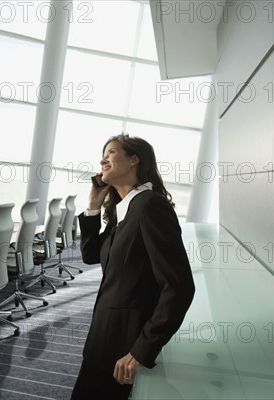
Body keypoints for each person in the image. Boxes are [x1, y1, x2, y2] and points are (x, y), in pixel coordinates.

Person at [71, 134, 195, 399]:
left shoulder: (149, 205)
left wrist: (142, 350)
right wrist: (93, 206)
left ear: (134, 160)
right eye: (103, 154)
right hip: (103, 337)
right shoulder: (125, 209)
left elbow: (179, 286)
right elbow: (92, 255)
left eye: (112, 152)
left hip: (123, 346)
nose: (103, 159)